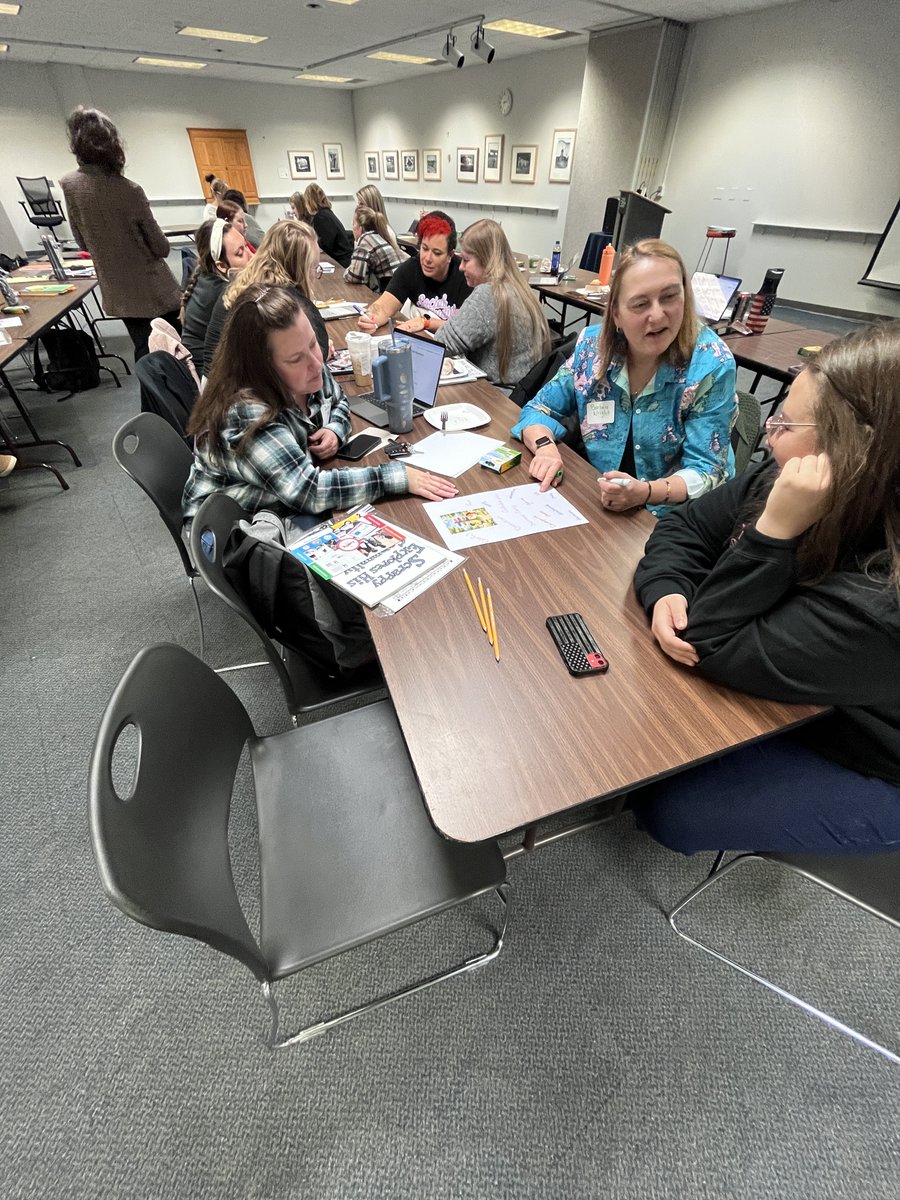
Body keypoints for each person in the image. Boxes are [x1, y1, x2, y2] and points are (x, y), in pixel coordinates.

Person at [630, 320, 900, 854]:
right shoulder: (799, 476)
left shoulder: (883, 603)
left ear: (849, 449)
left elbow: (706, 643)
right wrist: (666, 588)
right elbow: (683, 526)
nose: (768, 434)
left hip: (872, 753)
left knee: (671, 807)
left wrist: (772, 532)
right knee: (654, 725)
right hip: (816, 683)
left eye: (783, 423)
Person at [183, 284, 457, 523]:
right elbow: (309, 491)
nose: (316, 364)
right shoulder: (246, 410)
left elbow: (337, 400)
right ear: (260, 367)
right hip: (234, 533)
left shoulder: (305, 365)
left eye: (313, 344)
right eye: (295, 359)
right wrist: (396, 477)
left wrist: (335, 431)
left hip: (284, 501)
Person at [511, 238, 736, 513]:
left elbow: (708, 471)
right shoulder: (592, 350)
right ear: (616, 313)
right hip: (602, 502)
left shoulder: (711, 366)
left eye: (669, 296)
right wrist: (546, 448)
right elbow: (539, 409)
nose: (657, 315)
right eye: (640, 304)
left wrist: (646, 493)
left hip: (675, 517)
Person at [60, 107, 182, 361]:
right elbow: (161, 248)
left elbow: (82, 240)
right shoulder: (129, 190)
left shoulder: (70, 186)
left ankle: (156, 396)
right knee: (174, 346)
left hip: (118, 289)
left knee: (143, 349)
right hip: (153, 289)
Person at [413, 219, 551, 387]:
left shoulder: (488, 294)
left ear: (486, 260)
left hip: (495, 398)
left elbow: (440, 345)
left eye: (466, 260)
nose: (461, 267)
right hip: (519, 397)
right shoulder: (521, 289)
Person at [202, 220, 327, 376]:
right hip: (239, 392)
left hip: (212, 384)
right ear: (300, 269)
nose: (316, 275)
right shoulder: (284, 300)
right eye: (314, 267)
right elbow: (317, 361)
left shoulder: (239, 283)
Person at [357, 212, 472, 334]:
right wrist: (370, 318)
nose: (427, 258)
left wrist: (426, 322)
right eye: (425, 248)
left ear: (450, 255)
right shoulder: (411, 268)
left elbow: (466, 329)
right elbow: (384, 306)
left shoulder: (466, 276)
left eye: (437, 253)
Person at [180, 218, 250, 363]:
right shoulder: (225, 293)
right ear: (221, 266)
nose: (251, 255)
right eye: (240, 252)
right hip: (211, 374)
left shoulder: (205, 276)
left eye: (246, 245)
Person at [343, 205, 403, 293]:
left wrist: (347, 271)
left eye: (353, 224)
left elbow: (355, 278)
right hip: (398, 290)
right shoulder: (376, 236)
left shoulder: (365, 242)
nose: (352, 228)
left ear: (360, 228)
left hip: (391, 293)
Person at [303, 183, 354, 268]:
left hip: (341, 262)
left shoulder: (321, 217)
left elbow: (325, 244)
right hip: (345, 258)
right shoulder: (326, 212)